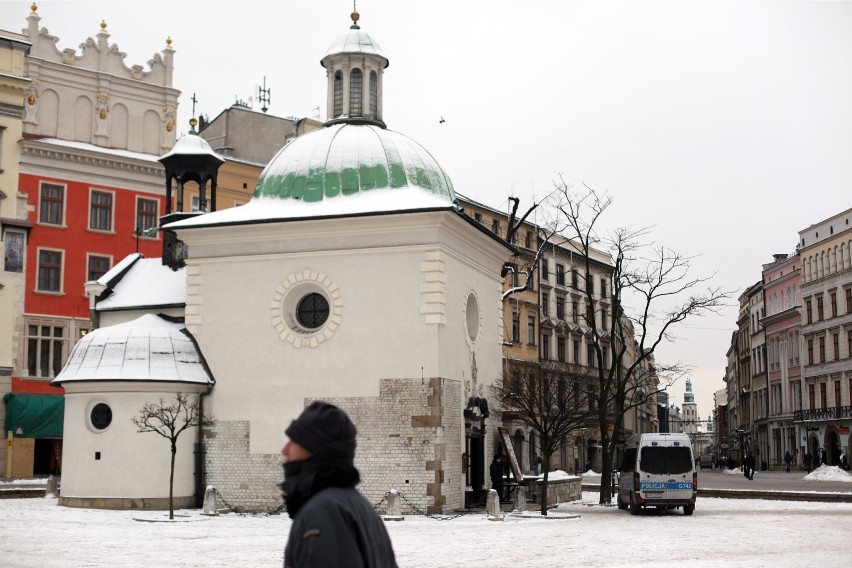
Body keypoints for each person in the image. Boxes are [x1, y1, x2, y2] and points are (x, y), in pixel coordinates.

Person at [280, 401, 397, 568]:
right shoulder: (361, 507)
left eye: (293, 441)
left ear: (313, 449)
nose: (284, 450)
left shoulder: (322, 512)